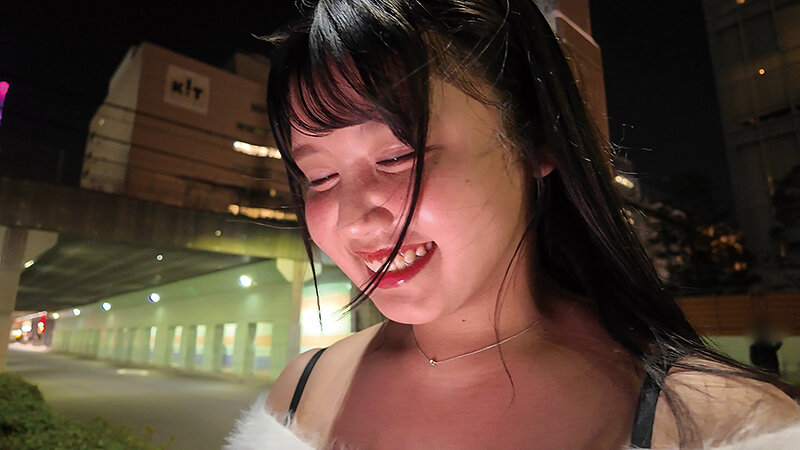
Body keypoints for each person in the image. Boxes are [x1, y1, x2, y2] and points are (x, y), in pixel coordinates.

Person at [226, 0, 800, 448]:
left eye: (398, 155)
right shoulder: (301, 392)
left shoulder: (723, 424)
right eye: (319, 177)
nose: (354, 220)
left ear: (534, 141)